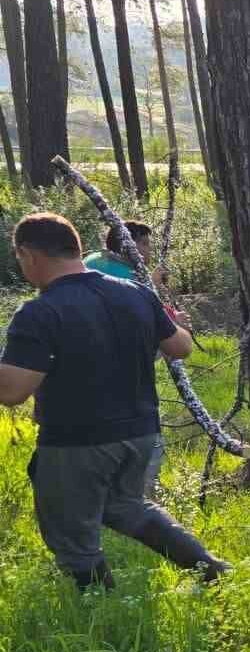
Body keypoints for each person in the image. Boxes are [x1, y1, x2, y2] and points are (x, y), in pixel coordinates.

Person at [0, 213, 229, 589]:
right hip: (141, 433)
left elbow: (12, 392)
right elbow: (181, 347)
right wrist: (178, 323)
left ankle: (98, 611)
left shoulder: (40, 312)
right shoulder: (135, 292)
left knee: (73, 537)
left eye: (20, 259)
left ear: (28, 254)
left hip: (77, 442)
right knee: (125, 506)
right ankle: (212, 570)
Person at [84, 219, 189, 496]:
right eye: (144, 244)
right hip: (123, 380)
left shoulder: (92, 262)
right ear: (129, 245)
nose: (149, 251)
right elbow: (138, 319)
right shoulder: (122, 276)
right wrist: (175, 325)